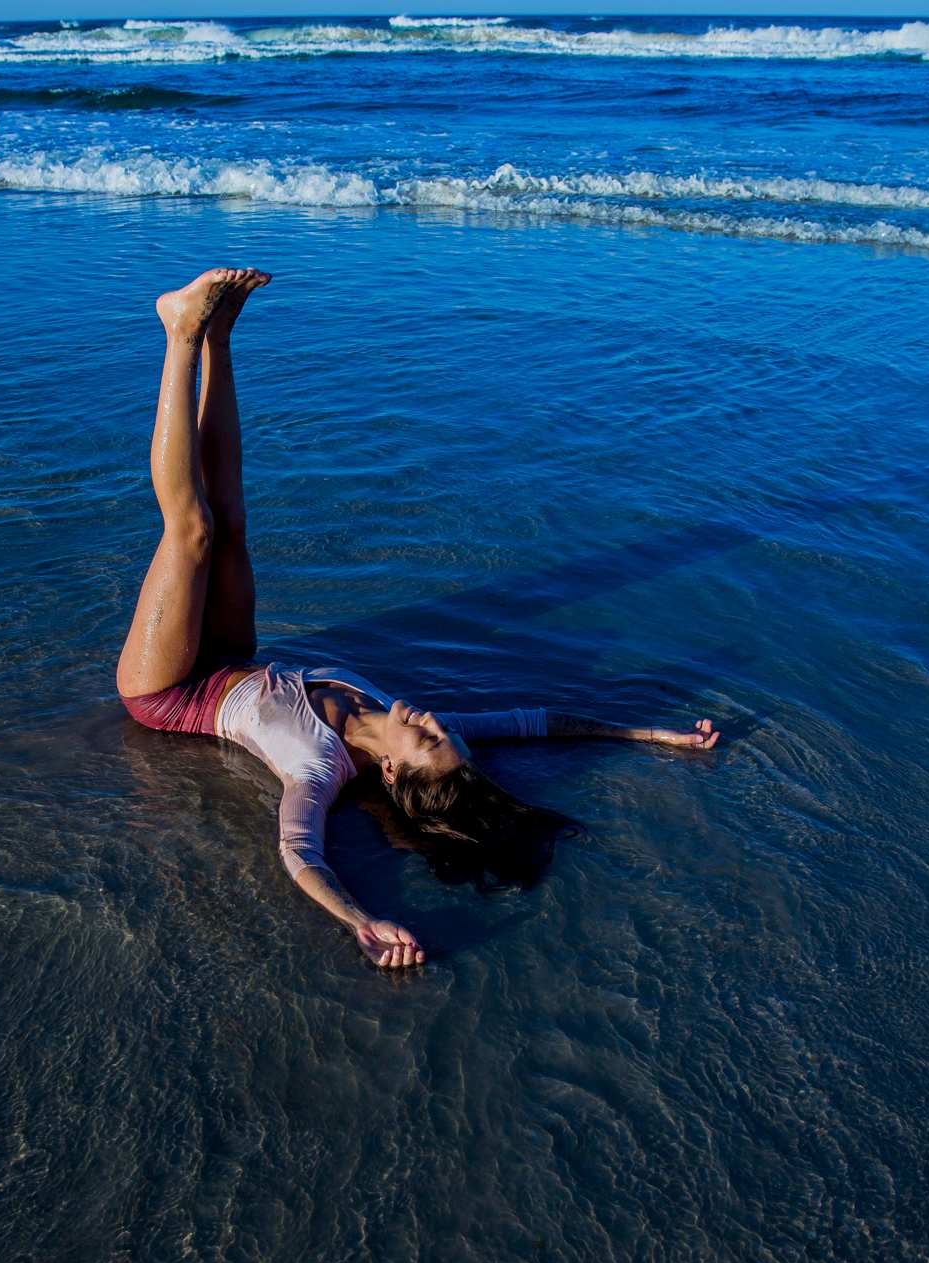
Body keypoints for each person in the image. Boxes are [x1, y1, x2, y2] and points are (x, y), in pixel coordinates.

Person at [118, 268, 720, 970]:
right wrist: (655, 733)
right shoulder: (435, 738)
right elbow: (536, 721)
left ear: (397, 775)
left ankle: (179, 332)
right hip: (234, 654)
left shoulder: (315, 770)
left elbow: (299, 853)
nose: (437, 721)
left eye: (429, 739)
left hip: (171, 692)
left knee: (192, 530)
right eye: (445, 733)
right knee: (235, 519)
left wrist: (361, 920)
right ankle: (218, 337)